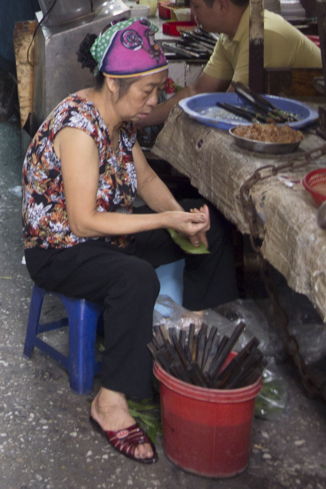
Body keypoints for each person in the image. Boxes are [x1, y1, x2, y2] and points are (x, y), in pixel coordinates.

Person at [22, 17, 238, 464]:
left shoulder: (120, 118)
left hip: (104, 237)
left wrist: (179, 219)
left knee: (210, 227)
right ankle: (110, 402)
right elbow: (84, 223)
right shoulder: (80, 128)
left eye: (158, 90)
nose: (154, 101)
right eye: (147, 91)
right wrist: (163, 219)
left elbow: (144, 176)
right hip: (59, 249)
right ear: (115, 84)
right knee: (135, 279)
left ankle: (192, 334)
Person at [137, 0, 322, 127]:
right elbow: (198, 91)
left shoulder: (261, 34)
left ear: (222, 5)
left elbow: (232, 103)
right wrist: (138, 120)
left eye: (197, 6)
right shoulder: (228, 35)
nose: (193, 14)